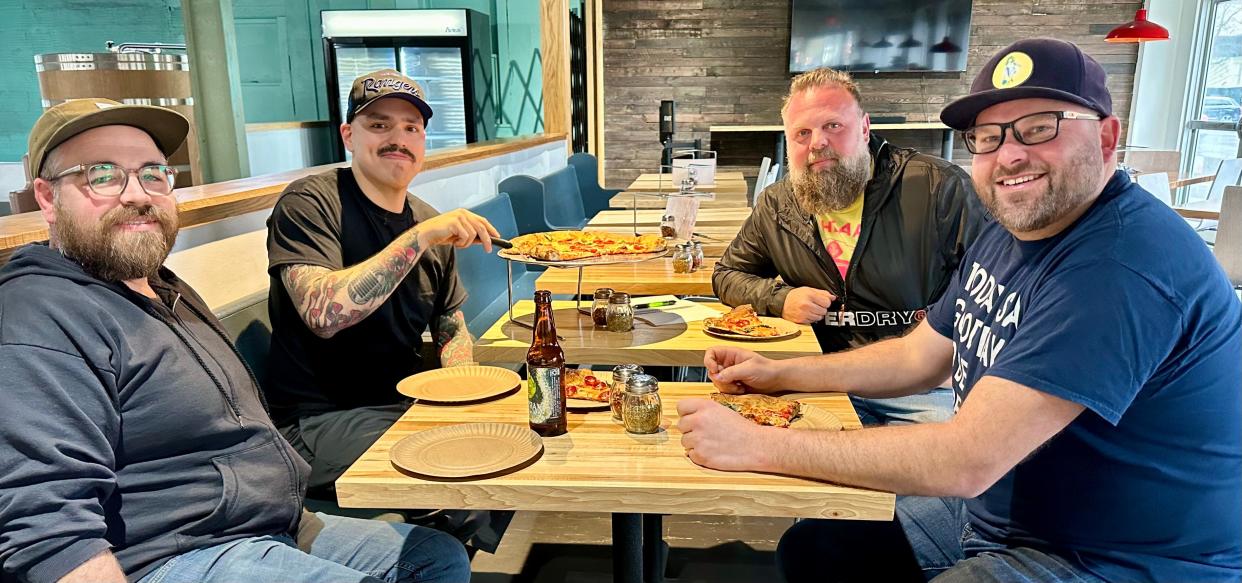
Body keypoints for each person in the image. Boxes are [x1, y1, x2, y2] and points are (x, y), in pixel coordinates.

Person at [680, 38, 1242, 582]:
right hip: (1004, 516)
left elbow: (966, 459)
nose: (1010, 155)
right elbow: (919, 356)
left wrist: (758, 445)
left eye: (1040, 128)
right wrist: (780, 373)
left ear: (1107, 136)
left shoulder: (1120, 264)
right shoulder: (1015, 229)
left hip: (1111, 556)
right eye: (989, 137)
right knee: (819, 548)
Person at [0, 99, 470, 583]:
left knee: (436, 557)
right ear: (48, 198)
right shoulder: (39, 313)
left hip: (266, 520)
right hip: (175, 552)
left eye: (153, 174)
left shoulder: (162, 287)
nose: (135, 194)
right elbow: (47, 529)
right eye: (102, 175)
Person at [263, 69, 507, 549]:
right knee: (467, 466)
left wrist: (462, 394)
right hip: (314, 422)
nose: (398, 138)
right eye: (380, 125)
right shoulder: (311, 203)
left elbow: (450, 326)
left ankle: (442, 547)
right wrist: (417, 239)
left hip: (399, 406)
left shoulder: (429, 221)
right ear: (349, 135)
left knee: (510, 438)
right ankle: (437, 547)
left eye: (411, 128)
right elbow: (323, 314)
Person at [712, 67, 985, 426]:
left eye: (833, 126)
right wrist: (780, 298)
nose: (817, 143)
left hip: (922, 387)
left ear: (865, 128)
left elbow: (990, 292)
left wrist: (955, 356)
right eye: (802, 134)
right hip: (816, 379)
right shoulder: (777, 204)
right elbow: (727, 275)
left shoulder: (939, 188)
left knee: (935, 476)